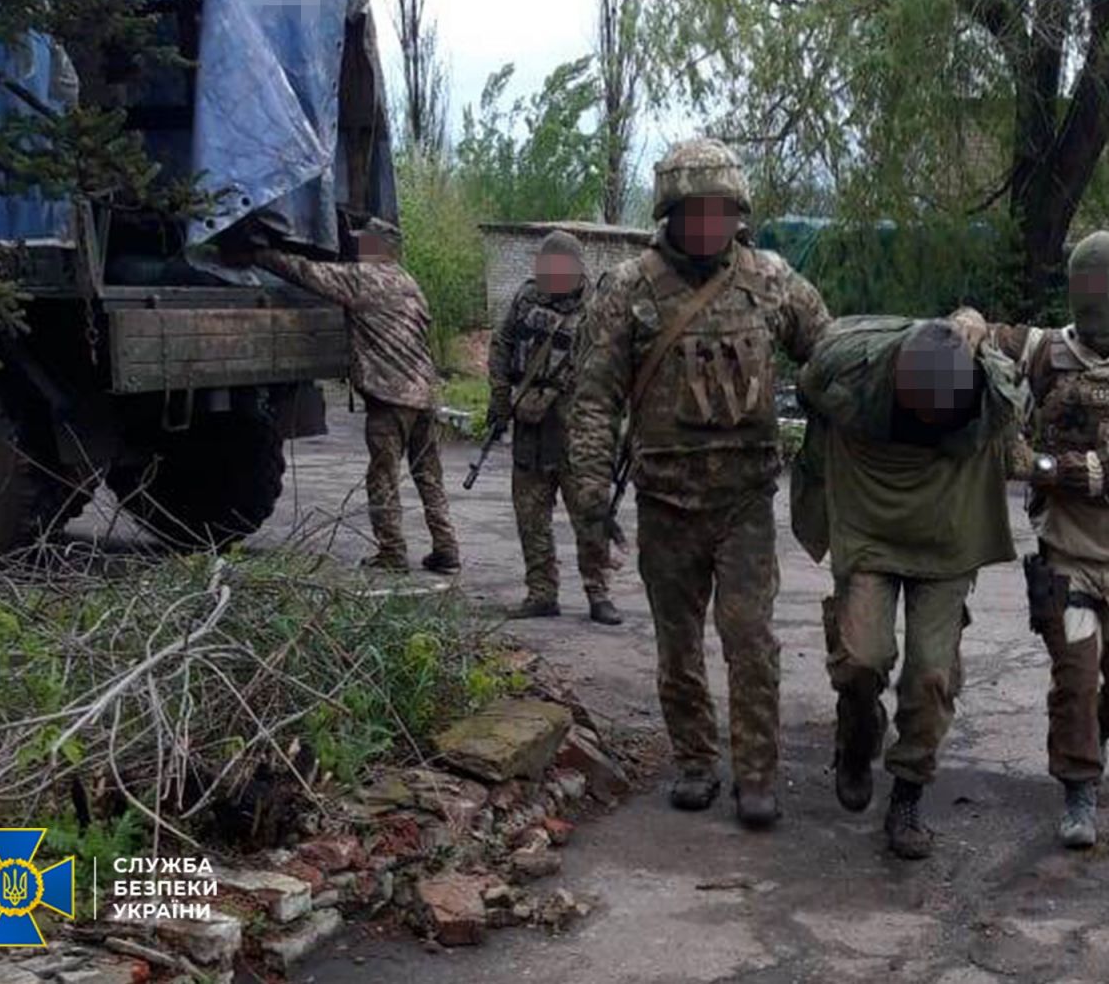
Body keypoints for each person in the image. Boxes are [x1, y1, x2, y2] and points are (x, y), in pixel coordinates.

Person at [569, 138, 831, 829]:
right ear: (670, 211)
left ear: (738, 212)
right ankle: (693, 760)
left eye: (721, 211)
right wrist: (592, 500)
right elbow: (594, 398)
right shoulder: (628, 288)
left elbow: (828, 355)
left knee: (750, 638)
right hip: (665, 501)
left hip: (745, 499)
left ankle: (756, 774)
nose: (708, 224)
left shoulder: (771, 279)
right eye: (695, 210)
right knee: (677, 643)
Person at [955, 229, 1109, 850]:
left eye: (1097, 299)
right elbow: (999, 338)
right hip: (1064, 549)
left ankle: (1100, 735)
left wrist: (1036, 466)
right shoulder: (1053, 350)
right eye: (1079, 298)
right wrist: (969, 324)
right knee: (1075, 675)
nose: (1087, 314)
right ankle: (1078, 787)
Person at [791, 315, 1026, 858]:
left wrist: (973, 323)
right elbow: (810, 400)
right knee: (860, 659)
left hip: (946, 538)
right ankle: (856, 736)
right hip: (869, 527)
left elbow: (1016, 405)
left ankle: (908, 792)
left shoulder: (993, 392)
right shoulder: (844, 373)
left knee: (931, 674)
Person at [250, 222, 459, 575]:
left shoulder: (364, 279)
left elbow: (306, 272)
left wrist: (258, 255)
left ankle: (392, 553)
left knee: (383, 477)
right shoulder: (409, 283)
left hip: (389, 396)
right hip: (425, 395)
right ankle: (447, 548)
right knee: (429, 477)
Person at [487, 230, 620, 625]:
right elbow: (501, 345)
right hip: (531, 426)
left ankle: (599, 593)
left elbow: (616, 367)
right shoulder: (525, 300)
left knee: (590, 517)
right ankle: (542, 593)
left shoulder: (598, 309)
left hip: (578, 432)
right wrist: (499, 396)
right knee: (531, 516)